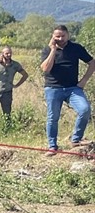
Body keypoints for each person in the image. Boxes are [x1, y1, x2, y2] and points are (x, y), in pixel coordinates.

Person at [39, 24, 93, 154]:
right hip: (53, 88)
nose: (60, 39)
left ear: (68, 35)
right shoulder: (47, 50)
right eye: (57, 36)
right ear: (53, 36)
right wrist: (53, 50)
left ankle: (76, 139)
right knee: (53, 117)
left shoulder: (76, 48)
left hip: (73, 88)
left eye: (63, 36)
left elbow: (92, 63)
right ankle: (52, 146)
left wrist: (84, 81)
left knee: (85, 109)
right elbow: (45, 68)